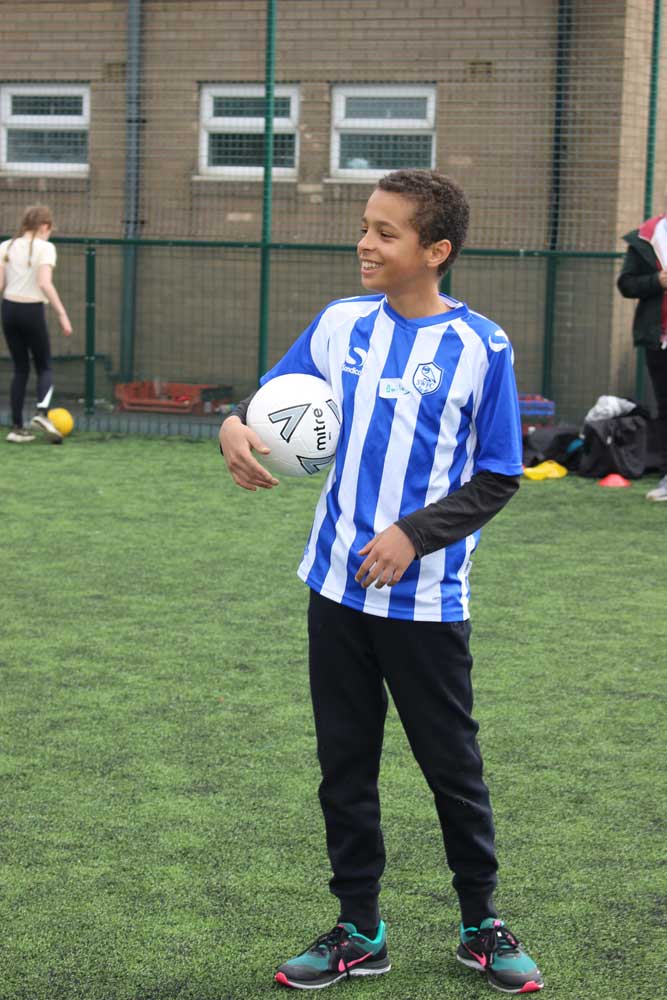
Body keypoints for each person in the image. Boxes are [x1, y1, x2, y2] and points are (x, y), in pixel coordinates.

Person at [219, 169, 543, 995]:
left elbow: (500, 475)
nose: (365, 243)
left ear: (435, 251)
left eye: (385, 233)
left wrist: (412, 533)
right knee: (344, 765)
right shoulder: (339, 324)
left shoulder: (480, 347)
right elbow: (274, 398)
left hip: (425, 601)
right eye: (365, 226)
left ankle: (480, 924)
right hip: (333, 589)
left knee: (451, 770)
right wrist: (233, 422)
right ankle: (358, 929)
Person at [0, 204, 72, 444]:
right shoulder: (46, 248)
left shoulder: (6, 246)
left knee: (20, 369)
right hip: (32, 311)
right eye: (49, 229)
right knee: (45, 366)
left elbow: (0, 284)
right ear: (44, 227)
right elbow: (44, 282)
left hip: (8, 310)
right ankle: (42, 413)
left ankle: (17, 428)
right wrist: (62, 312)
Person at [617, 211, 667, 500]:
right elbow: (627, 284)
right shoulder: (646, 237)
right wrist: (656, 281)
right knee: (665, 408)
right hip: (657, 340)